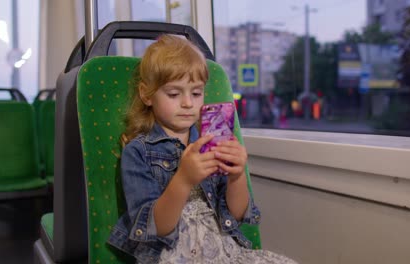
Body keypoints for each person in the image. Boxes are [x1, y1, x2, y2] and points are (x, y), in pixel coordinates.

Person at [108, 34, 297, 264]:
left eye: (196, 93)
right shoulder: (138, 151)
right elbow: (155, 226)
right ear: (146, 94)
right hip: (173, 256)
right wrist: (184, 179)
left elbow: (235, 215)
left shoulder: (213, 143)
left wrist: (237, 175)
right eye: (174, 94)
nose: (188, 103)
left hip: (225, 253)